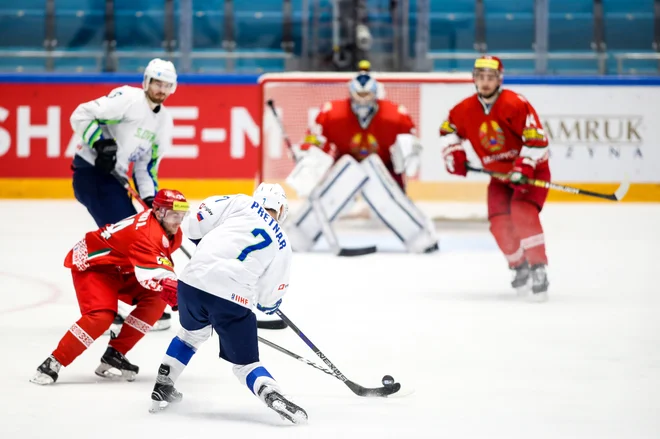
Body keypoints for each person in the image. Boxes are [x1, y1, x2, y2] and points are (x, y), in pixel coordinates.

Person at [148, 183, 307, 425]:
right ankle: (272, 393)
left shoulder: (242, 202)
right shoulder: (282, 242)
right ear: (282, 208)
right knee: (246, 365)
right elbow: (268, 299)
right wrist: (268, 305)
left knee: (190, 336)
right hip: (232, 298)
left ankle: (164, 383)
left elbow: (195, 223)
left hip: (190, 284)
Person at [30, 189, 189, 385]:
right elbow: (163, 278)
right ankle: (53, 362)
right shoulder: (147, 235)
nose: (179, 221)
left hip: (120, 266)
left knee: (157, 299)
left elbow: (158, 271)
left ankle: (115, 353)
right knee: (101, 317)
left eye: (182, 215)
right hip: (94, 265)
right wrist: (191, 302)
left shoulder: (170, 231)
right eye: (174, 215)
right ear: (158, 212)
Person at [69, 58, 178, 330]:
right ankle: (114, 304)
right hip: (91, 174)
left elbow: (146, 166)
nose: (161, 90)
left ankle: (118, 302)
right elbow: (81, 114)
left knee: (133, 238)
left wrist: (153, 202)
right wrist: (101, 143)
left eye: (167, 85)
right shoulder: (127, 98)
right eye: (157, 83)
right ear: (146, 82)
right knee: (129, 242)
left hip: (113, 180)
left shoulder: (163, 122)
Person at [285, 72, 438, 254]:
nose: (363, 101)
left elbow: (409, 143)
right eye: (360, 95)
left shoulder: (395, 115)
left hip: (384, 171)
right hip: (345, 168)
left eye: (367, 95)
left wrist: (408, 154)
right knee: (336, 185)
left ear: (376, 94)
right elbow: (317, 141)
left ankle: (420, 236)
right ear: (351, 94)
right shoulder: (332, 113)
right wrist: (307, 154)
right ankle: (299, 236)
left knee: (387, 195)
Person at [439, 55, 551, 300]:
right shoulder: (464, 109)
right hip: (500, 177)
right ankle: (518, 265)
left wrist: (524, 167)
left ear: (499, 79)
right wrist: (454, 153)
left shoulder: (515, 104)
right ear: (474, 79)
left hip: (531, 174)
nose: (485, 82)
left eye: (490, 77)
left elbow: (537, 140)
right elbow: (447, 131)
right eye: (481, 77)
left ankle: (538, 267)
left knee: (522, 213)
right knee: (499, 224)